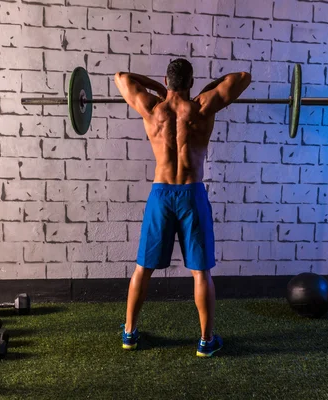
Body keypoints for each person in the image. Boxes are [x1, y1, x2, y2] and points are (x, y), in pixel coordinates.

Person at [114, 59, 251, 357]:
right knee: (201, 272)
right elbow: (242, 77)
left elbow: (120, 77)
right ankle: (206, 341)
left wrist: (156, 86)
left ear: (167, 80)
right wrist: (207, 87)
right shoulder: (203, 106)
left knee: (143, 268)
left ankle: (129, 334)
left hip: (161, 194)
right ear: (190, 82)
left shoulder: (152, 107)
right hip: (192, 193)